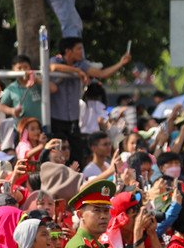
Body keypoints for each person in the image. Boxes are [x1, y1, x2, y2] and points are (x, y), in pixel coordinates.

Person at [49, 37, 130, 165]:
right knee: (57, 153)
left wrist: (121, 63)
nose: (82, 52)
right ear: (68, 51)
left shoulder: (81, 64)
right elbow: (53, 67)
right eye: (79, 49)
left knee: (76, 154)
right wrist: (76, 71)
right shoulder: (57, 60)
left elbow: (101, 74)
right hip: (57, 119)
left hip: (73, 122)